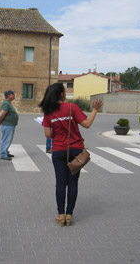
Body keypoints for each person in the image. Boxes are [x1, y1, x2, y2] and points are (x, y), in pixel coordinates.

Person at [39, 83, 102, 227]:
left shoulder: (48, 112)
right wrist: (95, 110)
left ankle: (61, 216)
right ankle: (69, 215)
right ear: (61, 94)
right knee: (73, 182)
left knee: (60, 183)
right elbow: (86, 124)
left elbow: (47, 134)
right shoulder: (72, 107)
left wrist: (56, 127)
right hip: (75, 149)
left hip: (59, 150)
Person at [0, 90, 19, 160]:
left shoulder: (8, 103)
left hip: (10, 124)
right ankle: (3, 154)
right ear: (9, 95)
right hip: (7, 125)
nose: (14, 95)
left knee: (8, 139)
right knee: (6, 139)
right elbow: (3, 113)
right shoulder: (6, 103)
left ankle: (6, 151)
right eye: (13, 94)